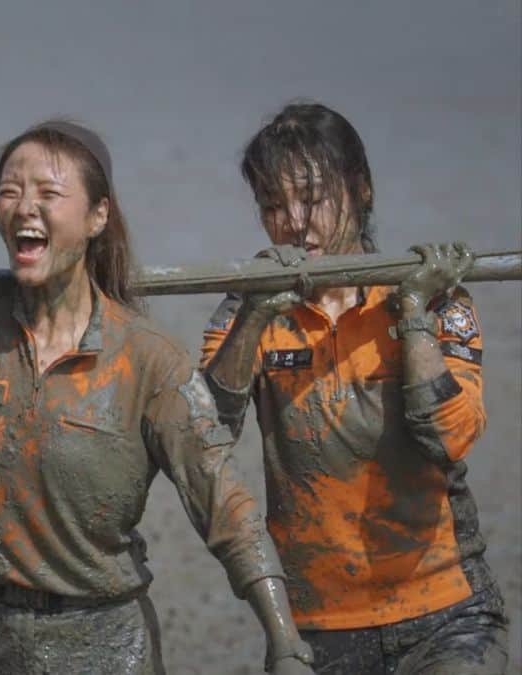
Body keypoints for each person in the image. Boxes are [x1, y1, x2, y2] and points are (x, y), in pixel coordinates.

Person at [0, 120, 314, 674]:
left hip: (101, 640)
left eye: (48, 194)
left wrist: (284, 639)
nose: (25, 206)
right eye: (10, 191)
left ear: (98, 216)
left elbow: (223, 503)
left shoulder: (146, 359)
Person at [200, 102, 509, 673]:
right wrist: (255, 317)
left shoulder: (436, 298)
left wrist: (413, 311)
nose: (294, 222)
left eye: (311, 199)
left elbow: (450, 439)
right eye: (273, 204)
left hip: (446, 614)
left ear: (361, 189)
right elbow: (203, 434)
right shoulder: (247, 311)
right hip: (317, 625)